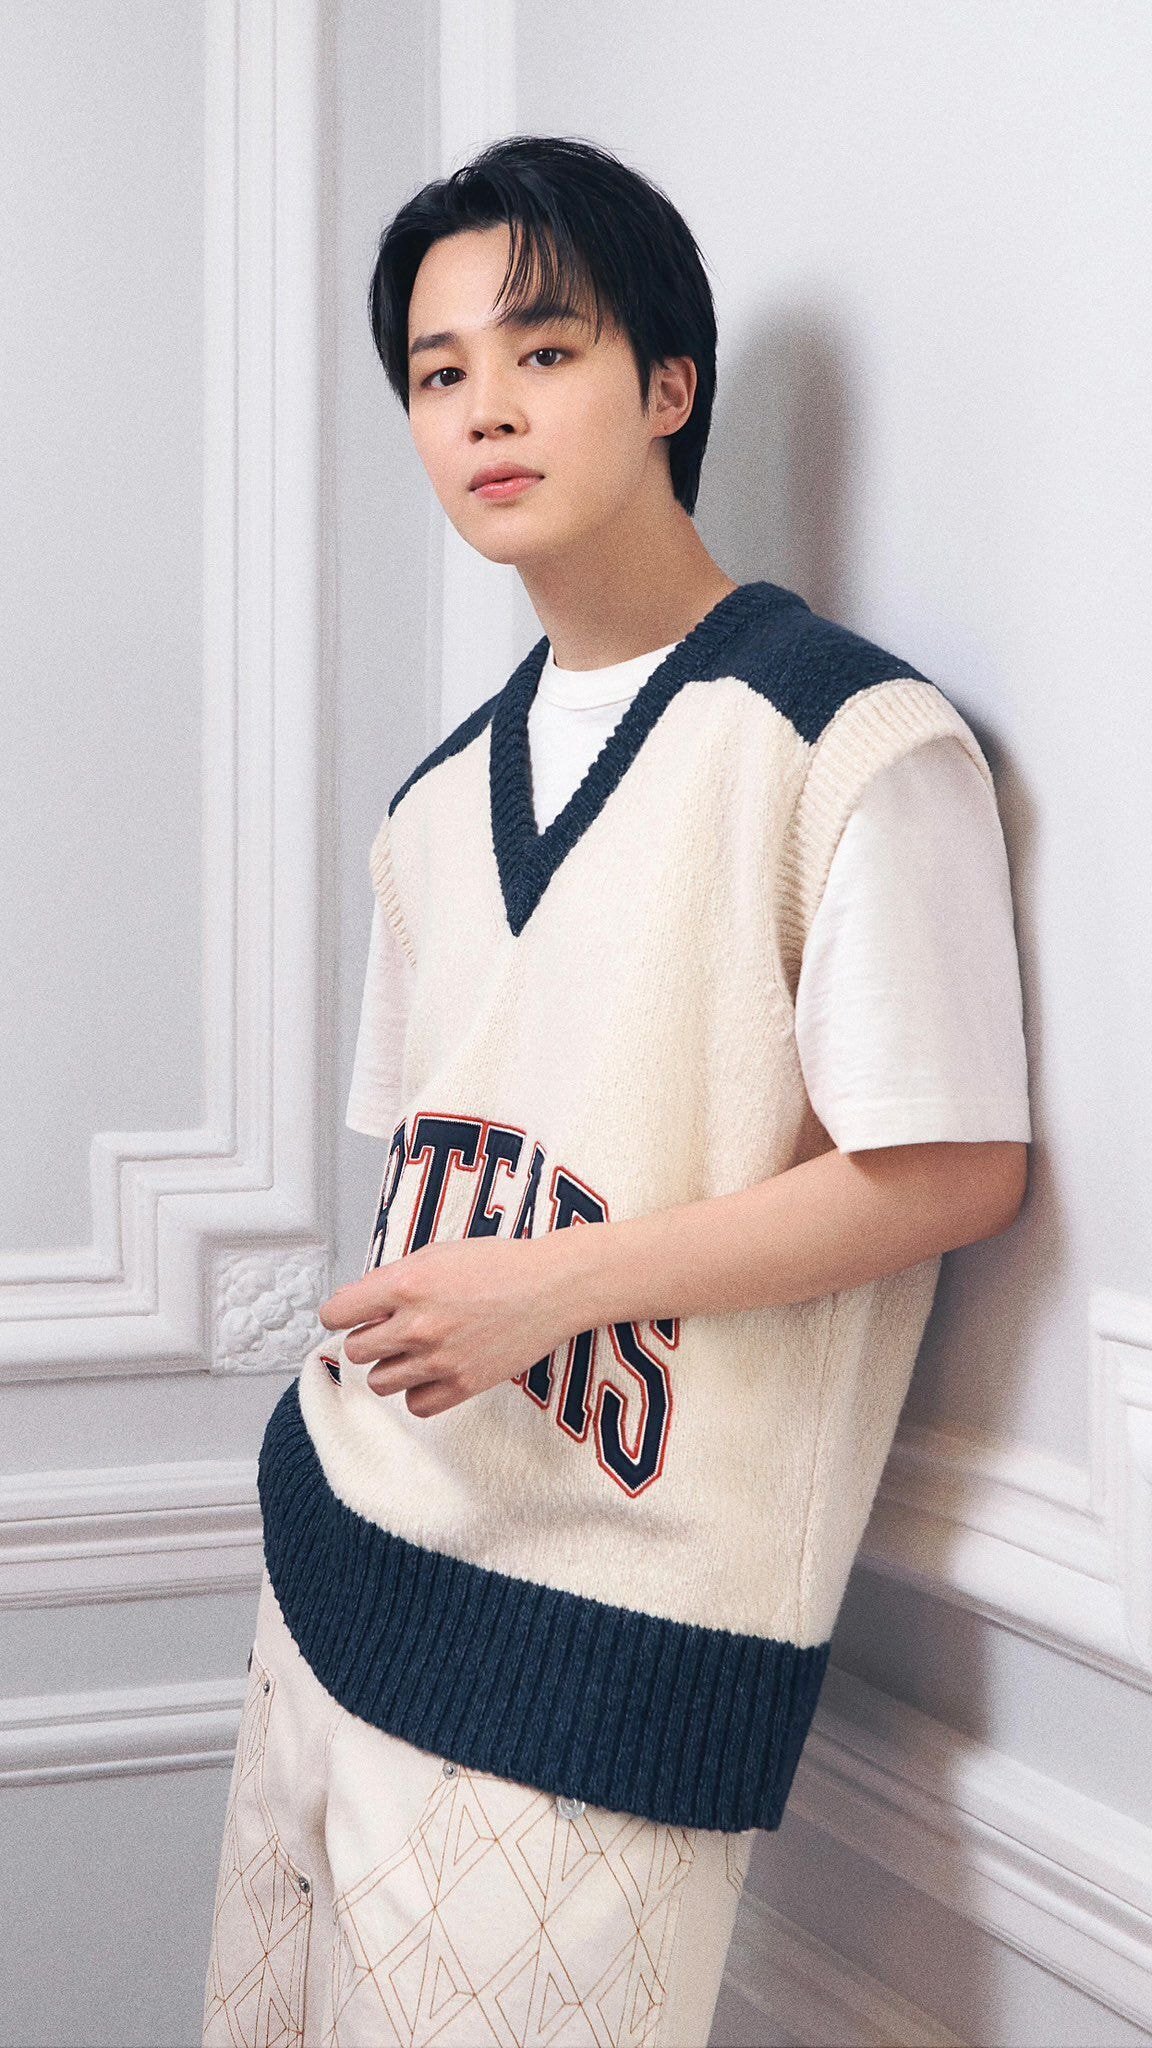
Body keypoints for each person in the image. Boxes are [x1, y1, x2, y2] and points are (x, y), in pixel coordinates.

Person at [202, 134, 1031, 2048]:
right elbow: (427, 1178)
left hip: (605, 1654)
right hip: (336, 1565)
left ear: (669, 385)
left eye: (545, 349)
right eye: (438, 373)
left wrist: (553, 1291)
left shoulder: (850, 740)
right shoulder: (431, 805)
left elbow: (952, 1169)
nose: (484, 408)